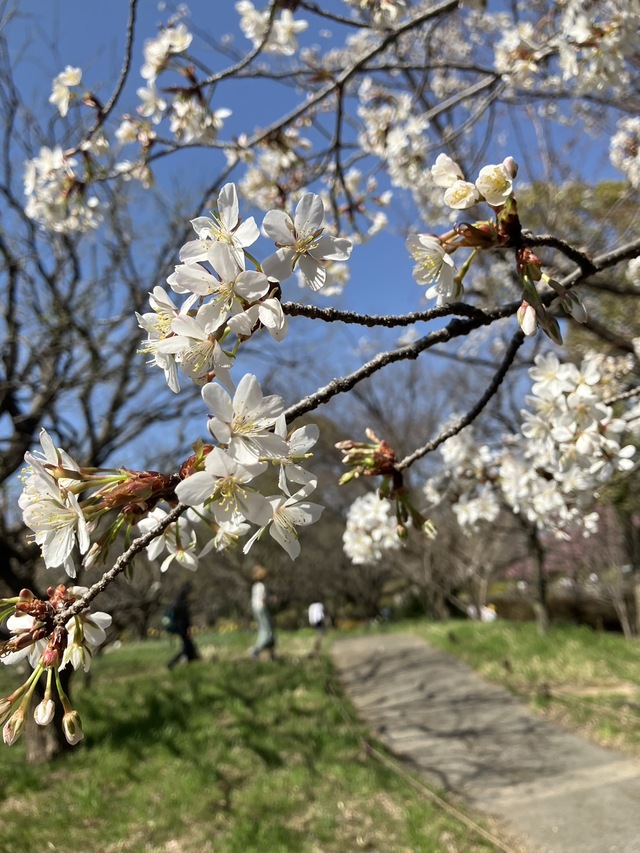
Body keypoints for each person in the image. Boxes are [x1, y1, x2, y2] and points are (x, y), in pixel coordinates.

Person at [167, 582, 200, 669]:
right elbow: (185, 617)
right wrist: (188, 628)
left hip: (181, 627)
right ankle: (172, 663)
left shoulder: (179, 601)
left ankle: (193, 660)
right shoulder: (182, 603)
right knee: (187, 647)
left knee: (188, 646)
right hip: (182, 628)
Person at [249, 565, 276, 661]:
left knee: (265, 631)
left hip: (256, 610)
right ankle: (256, 650)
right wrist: (271, 600)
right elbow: (263, 599)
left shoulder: (255, 586)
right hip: (262, 610)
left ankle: (271, 655)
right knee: (268, 632)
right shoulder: (261, 586)